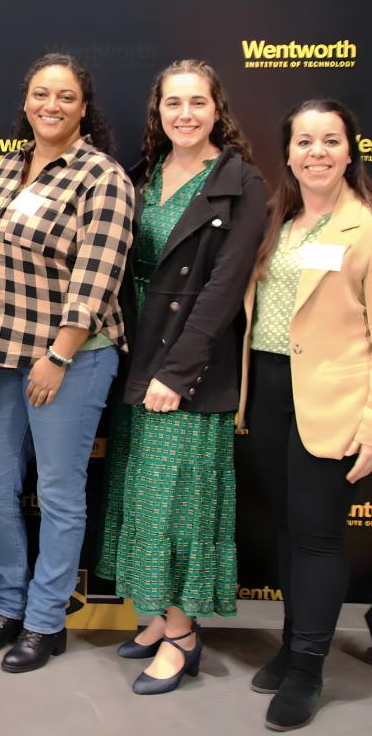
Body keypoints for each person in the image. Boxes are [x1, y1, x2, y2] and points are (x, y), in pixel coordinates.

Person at [241, 99, 372, 730]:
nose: (316, 152)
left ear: (350, 150)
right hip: (268, 391)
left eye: (330, 140)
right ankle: (293, 643)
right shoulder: (278, 220)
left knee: (318, 537)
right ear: (287, 152)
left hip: (334, 401)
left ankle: (309, 671)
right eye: (304, 141)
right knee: (289, 528)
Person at [95, 60, 267, 694]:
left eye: (197, 102)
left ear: (217, 109)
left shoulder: (240, 182)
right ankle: (156, 618)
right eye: (173, 103)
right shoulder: (140, 177)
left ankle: (183, 636)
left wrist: (178, 371)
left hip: (189, 373)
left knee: (175, 509)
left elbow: (223, 291)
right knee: (138, 500)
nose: (185, 114)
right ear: (158, 112)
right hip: (134, 364)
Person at [0, 53, 134, 673]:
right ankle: (9, 606)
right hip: (3, 356)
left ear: (84, 107)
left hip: (71, 357)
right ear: (27, 102)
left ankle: (44, 622)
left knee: (60, 494)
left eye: (66, 97)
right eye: (42, 94)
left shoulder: (102, 176)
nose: (52, 106)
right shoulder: (10, 166)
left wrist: (58, 355)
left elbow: (97, 275)